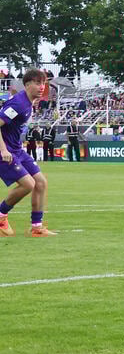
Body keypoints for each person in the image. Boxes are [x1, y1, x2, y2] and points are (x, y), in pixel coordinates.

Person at [0, 69, 57, 237]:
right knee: (28, 184)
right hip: (5, 151)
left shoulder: (29, 102)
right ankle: (1, 215)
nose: (42, 87)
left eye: (44, 83)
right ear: (27, 85)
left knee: (40, 182)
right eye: (38, 83)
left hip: (16, 149)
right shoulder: (18, 103)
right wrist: (3, 149)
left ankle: (37, 227)